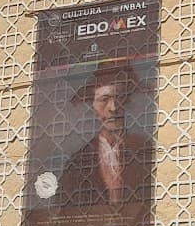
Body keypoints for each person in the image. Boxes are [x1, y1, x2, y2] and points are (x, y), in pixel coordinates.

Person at [57, 60, 154, 205]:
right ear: (92, 106)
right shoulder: (78, 162)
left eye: (119, 97)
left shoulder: (146, 151)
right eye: (104, 99)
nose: (113, 107)